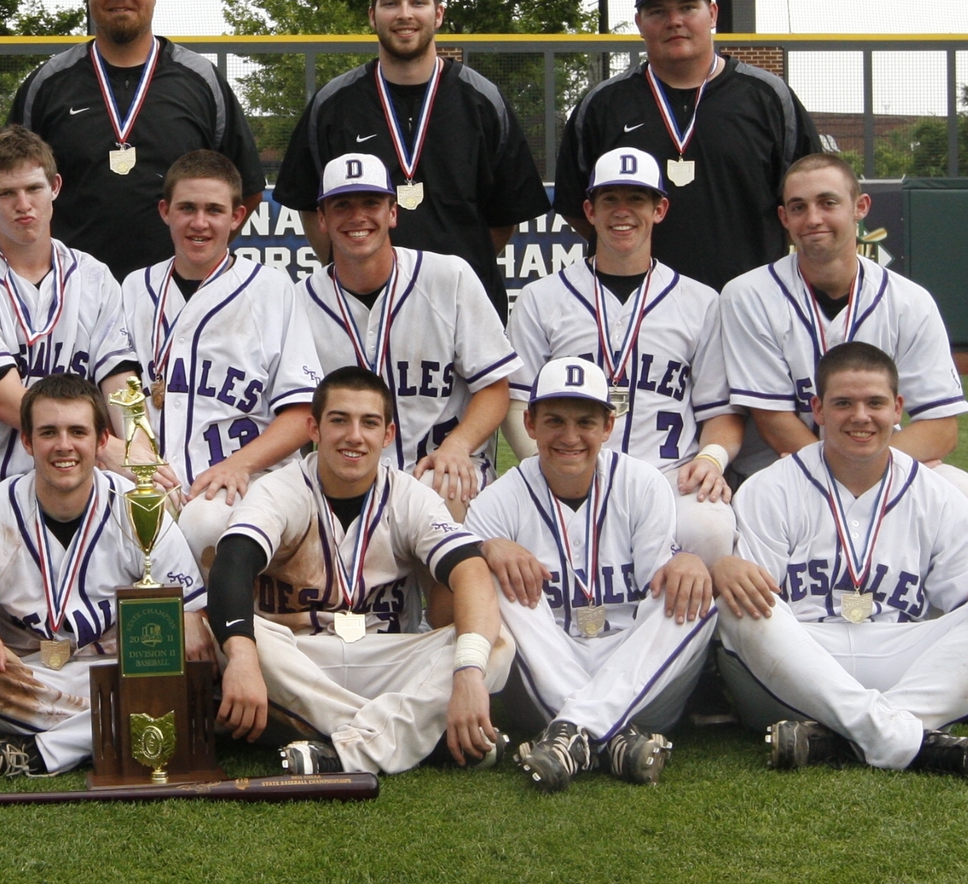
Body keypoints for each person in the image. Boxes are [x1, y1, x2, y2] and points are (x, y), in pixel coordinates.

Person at [711, 343, 968, 780]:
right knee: (740, 609)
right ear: (819, 410)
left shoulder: (935, 492)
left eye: (875, 403)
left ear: (897, 408)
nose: (860, 416)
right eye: (843, 403)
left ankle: (850, 736)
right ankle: (910, 738)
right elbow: (760, 606)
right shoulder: (770, 487)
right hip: (800, 664)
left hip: (898, 657)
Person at [205, 367, 508, 776]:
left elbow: (470, 570)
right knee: (234, 637)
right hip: (301, 660)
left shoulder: (408, 495)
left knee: (495, 642)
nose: (354, 436)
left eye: (369, 423)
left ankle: (342, 749)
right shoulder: (282, 488)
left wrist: (469, 675)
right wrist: (241, 658)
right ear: (314, 428)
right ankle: (417, 740)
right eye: (339, 420)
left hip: (386, 657)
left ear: (387, 435)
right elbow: (234, 562)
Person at [0, 375, 208, 780]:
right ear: (27, 442)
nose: (64, 445)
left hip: (116, 669)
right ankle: (126, 727)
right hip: (27, 674)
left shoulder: (139, 508)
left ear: (101, 442)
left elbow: (190, 616)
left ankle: (30, 752)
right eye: (49, 432)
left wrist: (187, 624)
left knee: (190, 677)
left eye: (77, 432)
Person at [469, 358, 717, 794]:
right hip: (548, 675)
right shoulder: (499, 501)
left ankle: (574, 731)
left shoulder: (642, 484)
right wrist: (486, 548)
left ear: (608, 425)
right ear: (529, 423)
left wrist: (687, 563)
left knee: (694, 592)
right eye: (554, 421)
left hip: (637, 673)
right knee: (490, 580)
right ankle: (615, 739)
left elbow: (658, 586)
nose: (569, 437)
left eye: (585, 422)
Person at [274, 0, 549, 310]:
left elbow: (503, 217)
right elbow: (310, 206)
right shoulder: (334, 103)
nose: (404, 14)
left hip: (463, 308)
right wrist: (353, 267)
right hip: (363, 306)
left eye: (417, 2)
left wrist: (454, 270)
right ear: (373, 15)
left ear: (438, 14)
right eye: (391, 3)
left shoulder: (483, 101)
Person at [721, 153, 968, 517]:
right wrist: (841, 475)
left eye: (827, 203)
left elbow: (942, 427)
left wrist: (870, 468)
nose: (813, 218)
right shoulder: (748, 295)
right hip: (780, 469)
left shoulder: (909, 301)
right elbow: (773, 423)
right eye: (798, 207)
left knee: (966, 496)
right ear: (784, 218)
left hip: (881, 464)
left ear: (860, 207)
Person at [505, 146, 740, 558]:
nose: (622, 211)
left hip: (670, 476)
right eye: (609, 199)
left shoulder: (701, 302)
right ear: (589, 210)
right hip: (569, 471)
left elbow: (719, 411)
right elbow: (516, 402)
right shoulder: (541, 298)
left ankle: (703, 626)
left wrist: (712, 460)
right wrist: (545, 473)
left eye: (636, 199)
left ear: (660, 209)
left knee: (711, 530)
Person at [6, 0, 267, 283]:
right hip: (72, 291)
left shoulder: (200, 80)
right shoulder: (49, 82)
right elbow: (8, 183)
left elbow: (247, 187)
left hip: (177, 287)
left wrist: (199, 255)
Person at [552, 0, 819, 290]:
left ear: (713, 14)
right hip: (634, 306)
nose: (674, 21)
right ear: (639, 22)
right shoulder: (603, 104)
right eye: (657, 12)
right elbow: (578, 207)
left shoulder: (767, 97)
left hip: (749, 302)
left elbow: (808, 199)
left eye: (688, 7)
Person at [119, 149, 321, 565]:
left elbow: (304, 413)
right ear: (165, 212)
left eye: (214, 210)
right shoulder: (134, 289)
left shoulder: (271, 289)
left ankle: (223, 630)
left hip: (245, 478)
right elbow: (110, 391)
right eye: (187, 208)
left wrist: (240, 466)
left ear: (236, 217)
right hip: (150, 476)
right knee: (117, 518)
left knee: (207, 523)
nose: (199, 222)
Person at [296, 152, 520, 517]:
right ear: (321, 218)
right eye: (342, 205)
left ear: (393, 212)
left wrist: (459, 445)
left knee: (441, 488)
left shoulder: (450, 277)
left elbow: (495, 387)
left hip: (439, 467)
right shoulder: (300, 302)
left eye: (371, 202)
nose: (358, 217)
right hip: (346, 475)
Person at [0, 127, 139, 486]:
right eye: (7, 193)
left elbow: (120, 381)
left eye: (33, 189)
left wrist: (139, 446)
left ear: (54, 187)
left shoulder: (94, 276)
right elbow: (4, 401)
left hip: (80, 474)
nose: (23, 205)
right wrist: (106, 447)